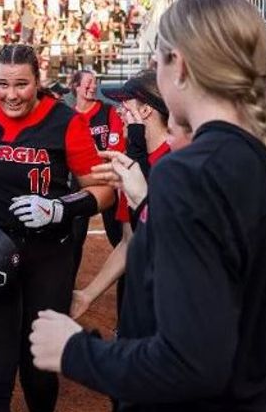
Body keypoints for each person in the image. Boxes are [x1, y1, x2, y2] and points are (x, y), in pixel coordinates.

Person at [28, 0, 266, 412]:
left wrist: (74, 350)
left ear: (182, 64)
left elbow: (191, 362)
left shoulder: (189, 172)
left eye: (158, 61)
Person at [0, 44, 114, 412]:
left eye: (21, 84)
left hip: (47, 254)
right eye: (2, 84)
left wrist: (61, 208)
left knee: (38, 366)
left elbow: (103, 191)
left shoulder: (65, 120)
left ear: (38, 81)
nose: (11, 94)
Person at [71, 69, 183, 321]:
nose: (118, 111)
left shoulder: (178, 162)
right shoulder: (131, 165)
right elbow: (129, 242)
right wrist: (87, 295)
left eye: (125, 104)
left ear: (145, 111)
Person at [67, 70, 125, 285]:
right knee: (74, 239)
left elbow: (115, 147)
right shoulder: (69, 116)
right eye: (89, 83)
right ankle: (66, 289)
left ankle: (129, 283)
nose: (93, 86)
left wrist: (88, 158)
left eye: (95, 82)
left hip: (109, 181)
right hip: (80, 183)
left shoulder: (108, 111)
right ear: (76, 86)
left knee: (118, 237)